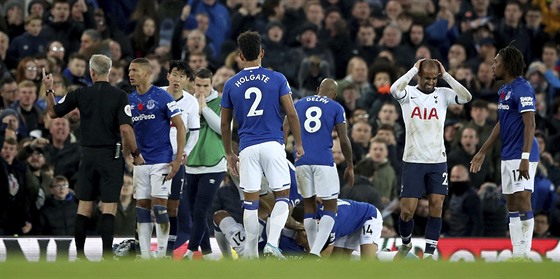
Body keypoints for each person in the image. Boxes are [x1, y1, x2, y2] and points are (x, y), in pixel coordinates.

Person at [43, 54, 141, 259]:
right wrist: (135, 154)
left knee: (84, 206)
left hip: (87, 156)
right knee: (109, 207)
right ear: (109, 72)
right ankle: (106, 257)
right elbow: (125, 129)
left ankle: (79, 255)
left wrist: (49, 89)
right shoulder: (119, 95)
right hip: (110, 156)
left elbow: (53, 113)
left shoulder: (80, 93)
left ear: (92, 71)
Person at [220, 31, 304, 259]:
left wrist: (229, 153)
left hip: (247, 147)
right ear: (262, 53)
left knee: (250, 202)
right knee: (282, 198)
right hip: (273, 144)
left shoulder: (230, 84)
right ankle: (272, 245)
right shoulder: (277, 78)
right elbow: (292, 114)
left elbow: (225, 123)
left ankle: (250, 252)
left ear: (239, 56)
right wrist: (297, 144)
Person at [390, 58, 472, 260]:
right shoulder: (408, 94)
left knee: (437, 205)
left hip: (437, 160)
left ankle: (428, 254)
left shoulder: (443, 94)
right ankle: (406, 243)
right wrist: (412, 70)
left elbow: (467, 97)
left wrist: (447, 76)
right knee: (407, 211)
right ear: (419, 75)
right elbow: (394, 90)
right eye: (427, 78)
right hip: (413, 160)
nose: (431, 82)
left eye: (435, 78)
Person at [470, 46, 539, 260]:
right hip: (507, 154)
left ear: (507, 65)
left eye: (496, 62)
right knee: (511, 203)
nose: (492, 65)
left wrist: (525, 158)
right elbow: (501, 124)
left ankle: (524, 254)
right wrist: (482, 151)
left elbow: (530, 123)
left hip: (522, 154)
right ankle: (517, 253)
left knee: (522, 198)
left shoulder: (523, 88)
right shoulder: (504, 91)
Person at [127, 57, 186, 259]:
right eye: (129, 70)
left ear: (146, 73)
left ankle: (161, 255)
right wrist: (129, 154)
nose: (130, 74)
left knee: (160, 208)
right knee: (142, 209)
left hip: (161, 161)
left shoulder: (163, 97)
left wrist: (177, 159)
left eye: (134, 70)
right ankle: (145, 255)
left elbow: (180, 126)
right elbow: (126, 131)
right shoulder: (129, 100)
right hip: (141, 163)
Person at [290, 78, 354, 258]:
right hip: (323, 161)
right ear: (334, 95)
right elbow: (343, 139)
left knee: (309, 204)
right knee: (331, 206)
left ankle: (312, 249)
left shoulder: (299, 103)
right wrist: (349, 164)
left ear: (318, 89)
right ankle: (316, 253)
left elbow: (285, 126)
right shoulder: (336, 107)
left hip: (301, 161)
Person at [183, 68, 226, 260]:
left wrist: (204, 109)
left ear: (211, 85)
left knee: (201, 210)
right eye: (198, 85)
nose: (201, 90)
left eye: (205, 86)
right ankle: (208, 254)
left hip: (214, 165)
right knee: (194, 212)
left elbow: (223, 129)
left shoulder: (221, 102)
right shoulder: (186, 102)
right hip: (191, 163)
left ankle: (191, 251)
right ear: (193, 84)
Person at [161, 60, 200, 255]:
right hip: (155, 158)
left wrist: (185, 153)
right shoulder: (156, 95)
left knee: (173, 207)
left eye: (182, 76)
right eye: (174, 74)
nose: (177, 79)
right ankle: (141, 246)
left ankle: (168, 250)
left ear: (187, 81)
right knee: (147, 203)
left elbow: (195, 132)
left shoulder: (191, 102)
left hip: (176, 161)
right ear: (168, 75)